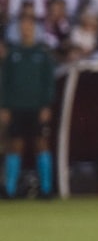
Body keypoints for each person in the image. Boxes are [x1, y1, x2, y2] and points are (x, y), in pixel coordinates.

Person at [2, 12, 57, 198]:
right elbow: (5, 82)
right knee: (14, 145)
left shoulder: (42, 54)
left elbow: (48, 82)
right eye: (22, 27)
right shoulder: (13, 54)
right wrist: (4, 106)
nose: (26, 30)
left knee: (41, 144)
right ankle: (9, 190)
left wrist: (46, 105)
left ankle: (46, 189)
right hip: (16, 106)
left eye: (29, 26)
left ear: (34, 29)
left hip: (37, 107)